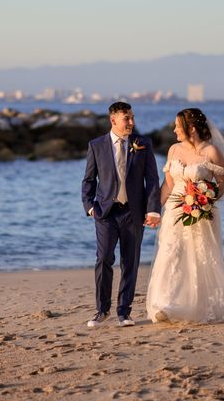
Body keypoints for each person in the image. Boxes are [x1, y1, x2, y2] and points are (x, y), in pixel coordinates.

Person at [146, 108, 224, 324]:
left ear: (191, 128)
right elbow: (168, 185)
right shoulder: (174, 150)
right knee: (171, 253)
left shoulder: (211, 152)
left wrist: (207, 199)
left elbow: (222, 184)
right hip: (174, 211)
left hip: (201, 214)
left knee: (200, 259)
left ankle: (198, 304)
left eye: (177, 125)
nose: (174, 129)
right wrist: (154, 209)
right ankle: (167, 303)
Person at [82, 102, 161, 327]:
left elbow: (152, 179)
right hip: (106, 213)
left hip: (134, 212)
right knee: (104, 258)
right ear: (113, 120)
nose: (132, 122)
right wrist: (90, 206)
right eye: (127, 118)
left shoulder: (143, 144)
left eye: (132, 117)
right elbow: (88, 179)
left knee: (130, 262)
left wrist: (153, 209)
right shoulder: (96, 145)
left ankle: (124, 312)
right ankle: (102, 310)